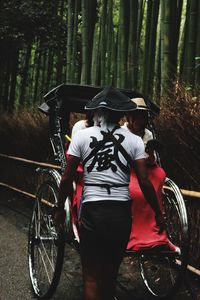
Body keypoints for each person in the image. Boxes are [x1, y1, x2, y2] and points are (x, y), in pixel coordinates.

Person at [55, 86, 165, 300]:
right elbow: (144, 181)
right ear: (122, 114)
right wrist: (158, 213)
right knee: (110, 276)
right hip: (121, 214)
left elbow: (67, 178)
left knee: (92, 277)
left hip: (93, 211)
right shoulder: (133, 141)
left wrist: (60, 208)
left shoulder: (82, 137)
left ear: (97, 112)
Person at [123, 97, 178, 252]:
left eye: (142, 116)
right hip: (129, 171)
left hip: (146, 169)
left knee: (158, 177)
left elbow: (152, 160)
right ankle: (135, 236)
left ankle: (158, 236)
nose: (139, 120)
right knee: (137, 193)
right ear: (129, 115)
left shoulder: (147, 133)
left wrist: (149, 152)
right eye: (136, 115)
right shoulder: (122, 132)